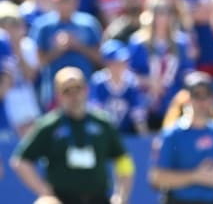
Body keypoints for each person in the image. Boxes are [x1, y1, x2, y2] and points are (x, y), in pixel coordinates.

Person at [10, 66, 134, 204]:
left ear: (86, 90)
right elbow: (20, 161)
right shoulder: (49, 126)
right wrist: (45, 192)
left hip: (98, 199)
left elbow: (123, 160)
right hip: (62, 200)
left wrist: (120, 196)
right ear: (58, 95)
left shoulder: (102, 123)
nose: (74, 96)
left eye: (78, 89)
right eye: (67, 91)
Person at [149, 71, 213, 204]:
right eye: (196, 95)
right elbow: (157, 178)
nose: (202, 101)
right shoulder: (171, 135)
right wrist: (196, 176)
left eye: (207, 95)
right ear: (187, 98)